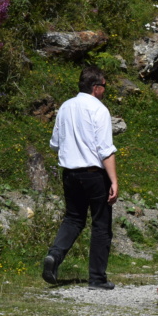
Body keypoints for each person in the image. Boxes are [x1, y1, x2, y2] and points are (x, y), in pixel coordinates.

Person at [42, 66, 119, 290]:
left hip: (69, 174)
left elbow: (55, 143)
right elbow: (105, 150)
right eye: (104, 86)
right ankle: (97, 278)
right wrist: (113, 180)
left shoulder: (66, 107)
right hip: (94, 174)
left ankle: (54, 256)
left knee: (73, 219)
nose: (105, 90)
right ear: (96, 88)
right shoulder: (99, 110)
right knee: (101, 224)